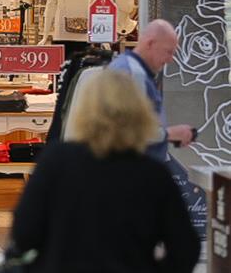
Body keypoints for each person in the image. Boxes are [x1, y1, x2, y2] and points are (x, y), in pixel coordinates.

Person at [11, 69, 200, 273]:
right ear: (141, 113)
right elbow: (186, 247)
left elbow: (24, 233)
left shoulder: (57, 161)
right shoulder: (153, 173)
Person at [109, 19, 195, 161]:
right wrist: (171, 134)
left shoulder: (123, 66)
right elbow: (130, 132)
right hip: (135, 168)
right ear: (150, 43)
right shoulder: (135, 74)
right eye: (168, 52)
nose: (170, 60)